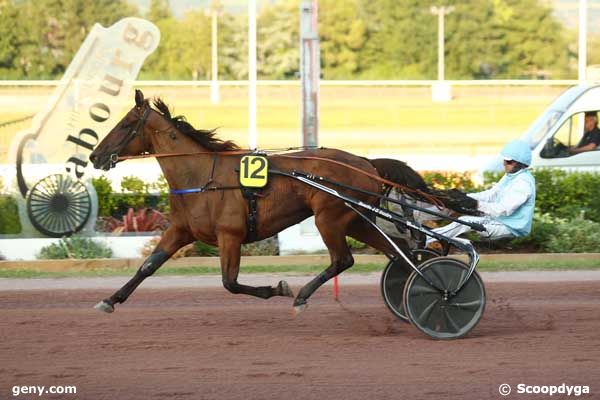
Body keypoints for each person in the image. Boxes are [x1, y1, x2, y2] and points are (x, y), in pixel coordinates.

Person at [426, 140, 536, 249]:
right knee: (454, 206)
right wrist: (465, 197)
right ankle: (418, 222)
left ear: (519, 163)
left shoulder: (523, 183)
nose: (504, 163)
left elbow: (503, 210)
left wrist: (476, 204)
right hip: (496, 219)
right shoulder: (511, 175)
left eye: (508, 162)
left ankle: (426, 239)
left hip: (510, 227)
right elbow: (490, 195)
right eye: (504, 160)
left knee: (465, 221)